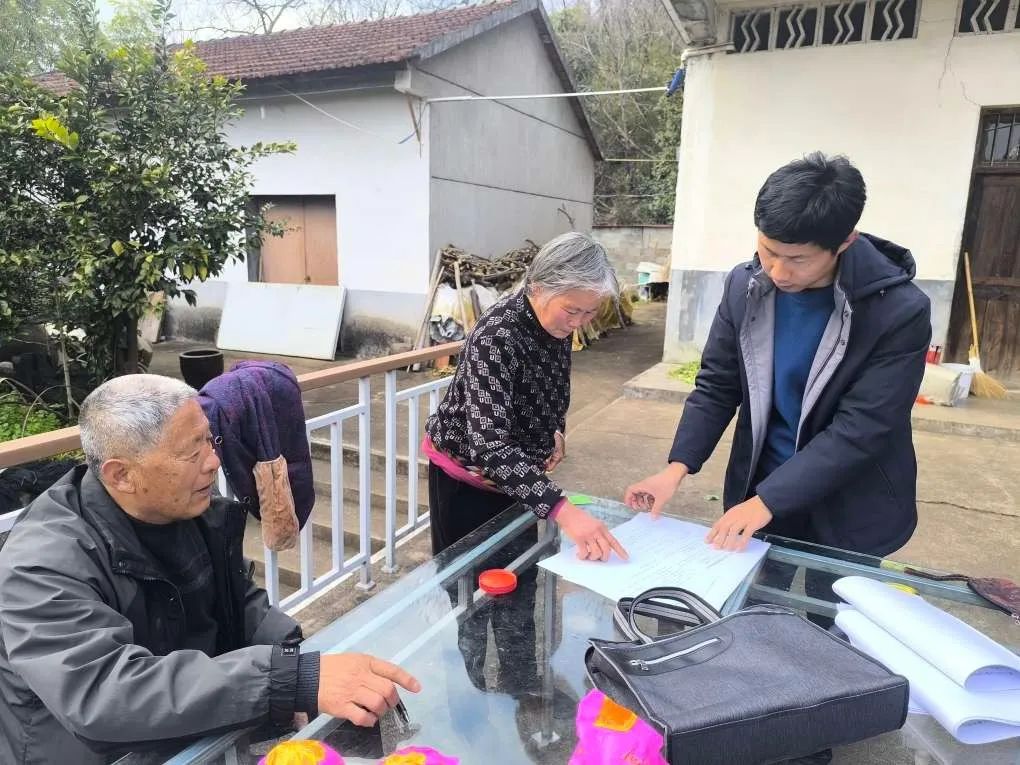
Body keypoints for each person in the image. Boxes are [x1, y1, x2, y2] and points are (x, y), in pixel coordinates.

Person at [0, 374, 420, 764]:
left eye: (209, 439)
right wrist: (288, 680)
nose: (214, 461)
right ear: (121, 474)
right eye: (191, 451)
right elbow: (103, 694)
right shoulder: (41, 563)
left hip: (187, 736)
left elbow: (239, 604)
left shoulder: (189, 512)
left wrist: (303, 659)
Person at [625, 152, 931, 564]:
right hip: (762, 482)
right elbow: (717, 384)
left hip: (850, 500)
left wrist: (767, 501)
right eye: (768, 251)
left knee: (833, 600)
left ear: (844, 242)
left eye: (798, 259)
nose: (778, 272)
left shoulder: (898, 310)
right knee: (759, 594)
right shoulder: (745, 287)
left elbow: (863, 427)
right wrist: (675, 468)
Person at [424, 231, 628, 563]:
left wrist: (555, 430)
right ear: (537, 288)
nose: (578, 322)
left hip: (520, 476)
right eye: (572, 310)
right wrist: (562, 509)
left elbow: (554, 385)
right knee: (471, 582)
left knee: (522, 570)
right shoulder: (496, 336)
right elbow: (489, 446)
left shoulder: (556, 323)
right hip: (467, 478)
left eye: (589, 313)